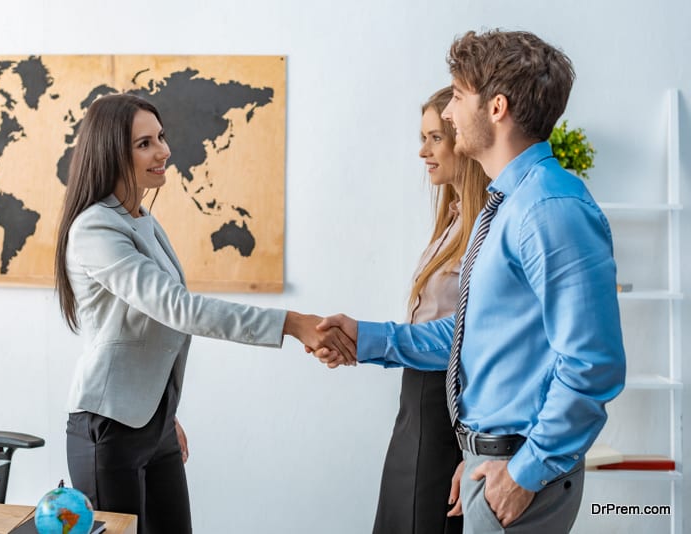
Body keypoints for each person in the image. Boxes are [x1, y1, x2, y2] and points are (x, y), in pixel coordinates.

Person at [316, 29, 626, 534]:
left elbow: (595, 366)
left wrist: (522, 472)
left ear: (496, 107)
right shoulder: (506, 206)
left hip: (524, 476)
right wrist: (368, 338)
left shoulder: (551, 208)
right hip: (490, 463)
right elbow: (470, 336)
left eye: (458, 97)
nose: (451, 113)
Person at [54, 93, 355, 534]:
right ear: (109, 151)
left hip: (152, 423)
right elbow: (178, 309)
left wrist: (163, 413)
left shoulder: (144, 221)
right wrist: (292, 324)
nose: (164, 151)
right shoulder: (95, 228)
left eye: (160, 137)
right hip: (109, 429)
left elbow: (151, 328)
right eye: (144, 144)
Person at [372, 87, 488, 534]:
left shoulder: (488, 228)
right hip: (415, 406)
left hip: (446, 414)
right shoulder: (453, 219)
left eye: (435, 137)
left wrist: (470, 453)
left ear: (465, 139)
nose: (423, 151)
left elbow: (470, 340)